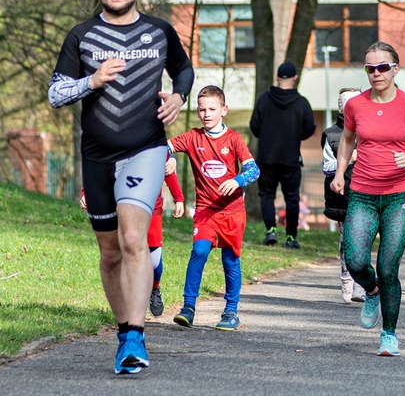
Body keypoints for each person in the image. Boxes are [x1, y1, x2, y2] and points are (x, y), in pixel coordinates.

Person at [48, 0, 194, 375]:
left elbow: (183, 68)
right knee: (110, 253)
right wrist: (91, 82)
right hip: (96, 155)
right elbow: (56, 94)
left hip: (145, 148)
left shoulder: (160, 30)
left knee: (134, 238)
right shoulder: (81, 35)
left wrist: (179, 97)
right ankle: (123, 330)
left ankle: (135, 336)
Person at [331, 41, 405, 357]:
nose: (376, 73)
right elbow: (347, 141)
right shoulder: (356, 105)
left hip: (398, 196)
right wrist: (339, 173)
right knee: (356, 259)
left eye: (382, 67)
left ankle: (389, 334)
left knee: (388, 267)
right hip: (362, 193)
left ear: (395, 69)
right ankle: (371, 291)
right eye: (370, 68)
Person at [168, 85, 260, 332]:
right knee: (199, 251)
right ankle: (188, 307)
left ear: (224, 110)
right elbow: (163, 147)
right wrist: (169, 157)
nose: (206, 114)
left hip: (232, 212)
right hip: (205, 210)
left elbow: (254, 170)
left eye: (212, 109)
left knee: (230, 260)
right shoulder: (192, 137)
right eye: (201, 109)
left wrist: (237, 180)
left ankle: (231, 311)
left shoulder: (234, 139)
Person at [79, 155, 185, 318]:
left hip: (151, 209)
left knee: (155, 261)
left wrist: (179, 198)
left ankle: (154, 289)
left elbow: (168, 172)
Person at [250, 61, 316, 248]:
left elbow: (254, 126)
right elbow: (309, 128)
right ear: (295, 77)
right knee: (292, 197)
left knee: (267, 195)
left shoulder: (264, 99)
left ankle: (270, 231)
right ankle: (291, 237)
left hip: (267, 158)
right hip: (290, 159)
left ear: (277, 77)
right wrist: (295, 136)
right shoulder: (302, 103)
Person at [321, 87, 366, 303]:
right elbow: (327, 166)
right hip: (343, 195)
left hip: (367, 193)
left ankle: (361, 283)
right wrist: (351, 156)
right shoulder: (331, 135)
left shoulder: (369, 130)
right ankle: (347, 279)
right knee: (347, 239)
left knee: (363, 238)